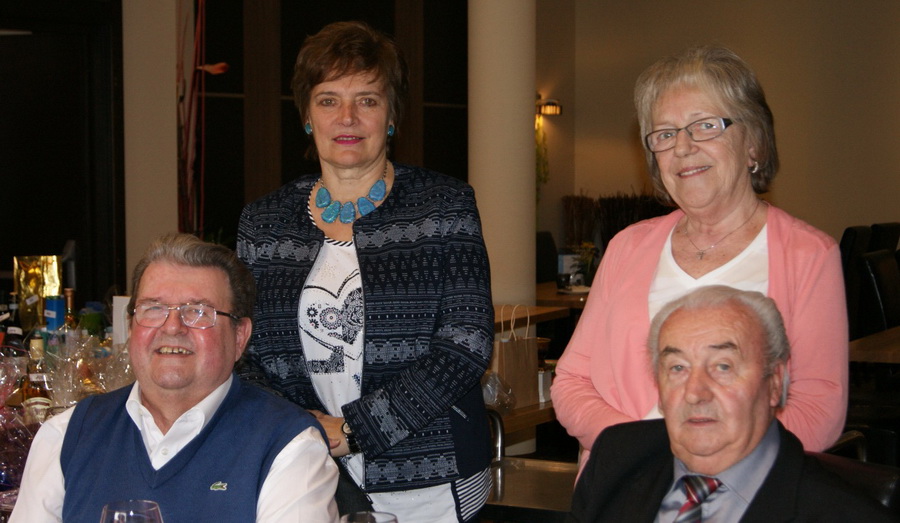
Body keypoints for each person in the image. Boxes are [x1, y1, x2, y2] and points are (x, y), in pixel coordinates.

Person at [236, 21, 494, 522]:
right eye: (328, 100)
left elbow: (466, 343)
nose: (347, 117)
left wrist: (354, 430)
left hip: (431, 482)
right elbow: (242, 347)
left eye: (368, 100)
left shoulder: (444, 206)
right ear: (307, 115)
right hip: (306, 473)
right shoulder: (263, 223)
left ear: (391, 115)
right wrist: (302, 429)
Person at [551, 45, 847, 470]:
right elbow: (572, 381)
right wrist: (640, 450)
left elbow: (819, 408)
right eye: (665, 134)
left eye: (705, 126)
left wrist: (714, 460)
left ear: (753, 144)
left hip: (748, 491)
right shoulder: (627, 247)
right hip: (628, 484)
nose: (683, 147)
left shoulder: (809, 255)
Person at [10, 234, 339, 522]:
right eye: (153, 308)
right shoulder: (65, 436)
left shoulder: (289, 447)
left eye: (198, 311)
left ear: (239, 336)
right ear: (131, 327)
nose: (172, 327)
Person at [568, 286, 894, 522]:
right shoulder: (618, 460)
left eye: (723, 367)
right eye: (677, 368)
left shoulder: (843, 515)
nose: (695, 393)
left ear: (774, 382)